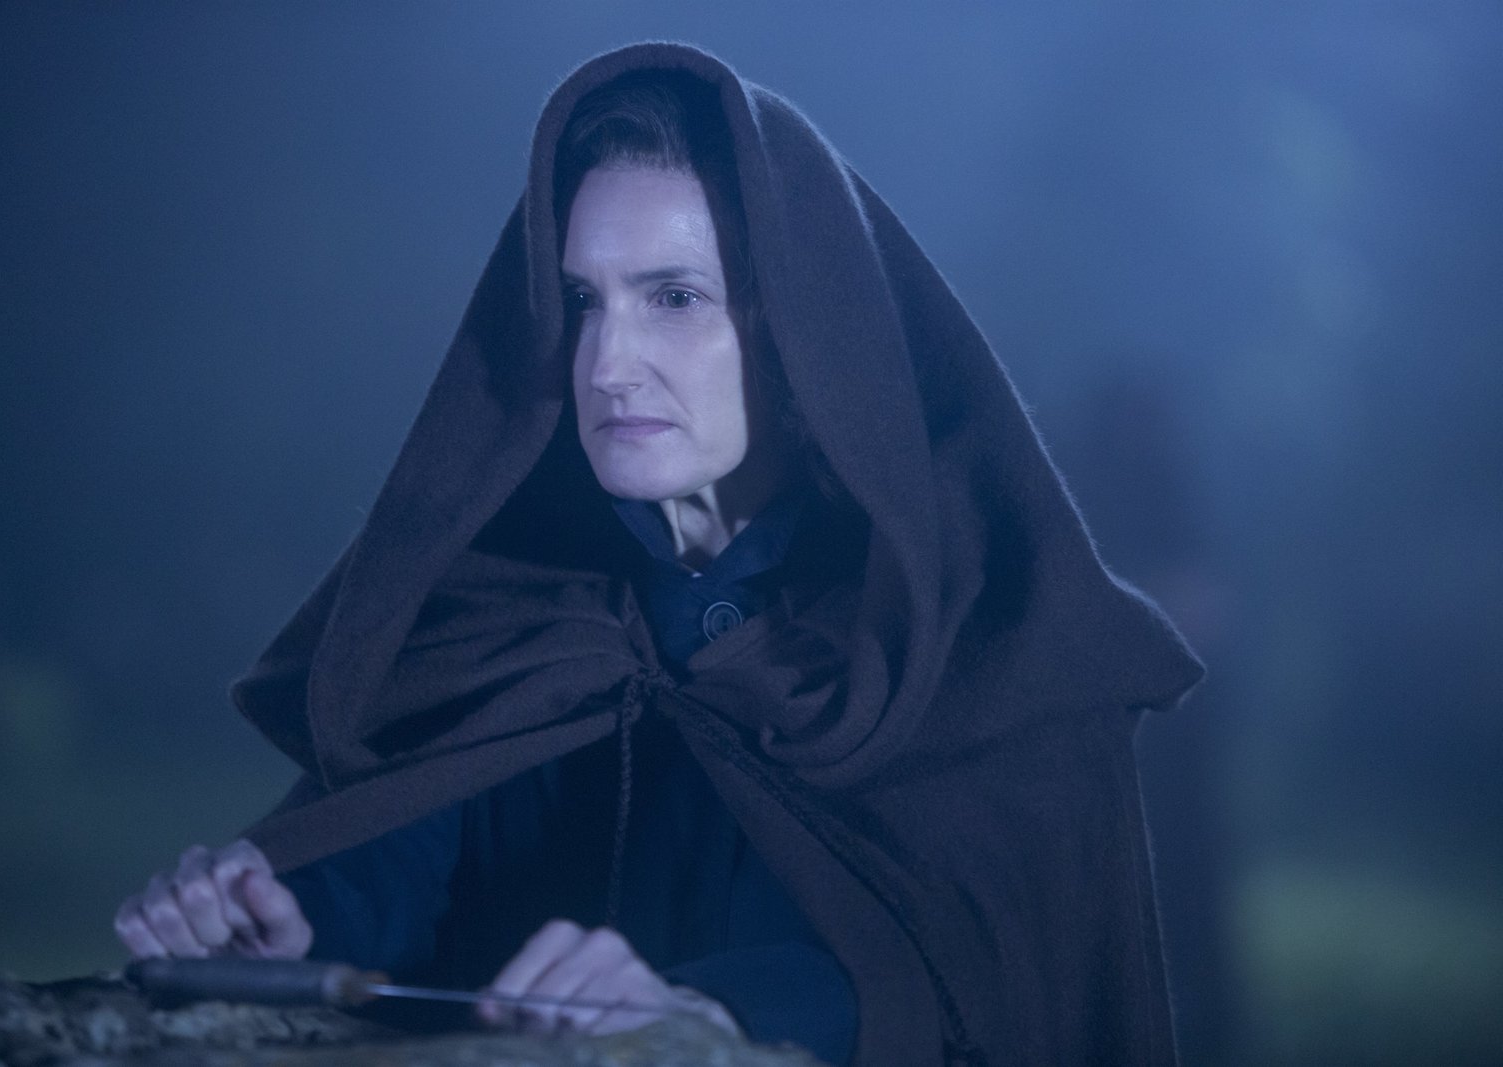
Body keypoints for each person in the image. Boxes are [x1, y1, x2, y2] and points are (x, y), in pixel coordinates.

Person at [115, 43, 1202, 1066]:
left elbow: (989, 969)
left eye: (674, 298)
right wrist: (284, 917)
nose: (606, 363)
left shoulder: (981, 663)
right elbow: (400, 851)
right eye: (582, 301)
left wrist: (715, 1012)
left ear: (804, 335)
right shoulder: (511, 620)